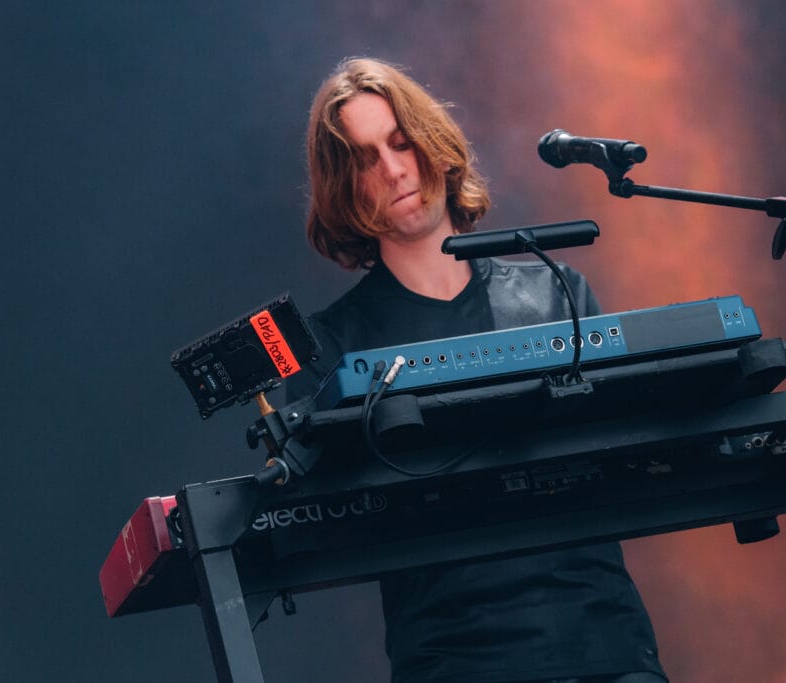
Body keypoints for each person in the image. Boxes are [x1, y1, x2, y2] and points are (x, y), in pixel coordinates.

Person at [286, 57, 668, 683]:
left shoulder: (557, 294)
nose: (393, 170)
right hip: (455, 660)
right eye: (363, 160)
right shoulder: (333, 346)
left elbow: (635, 456)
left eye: (402, 143)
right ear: (344, 190)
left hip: (607, 644)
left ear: (434, 145)